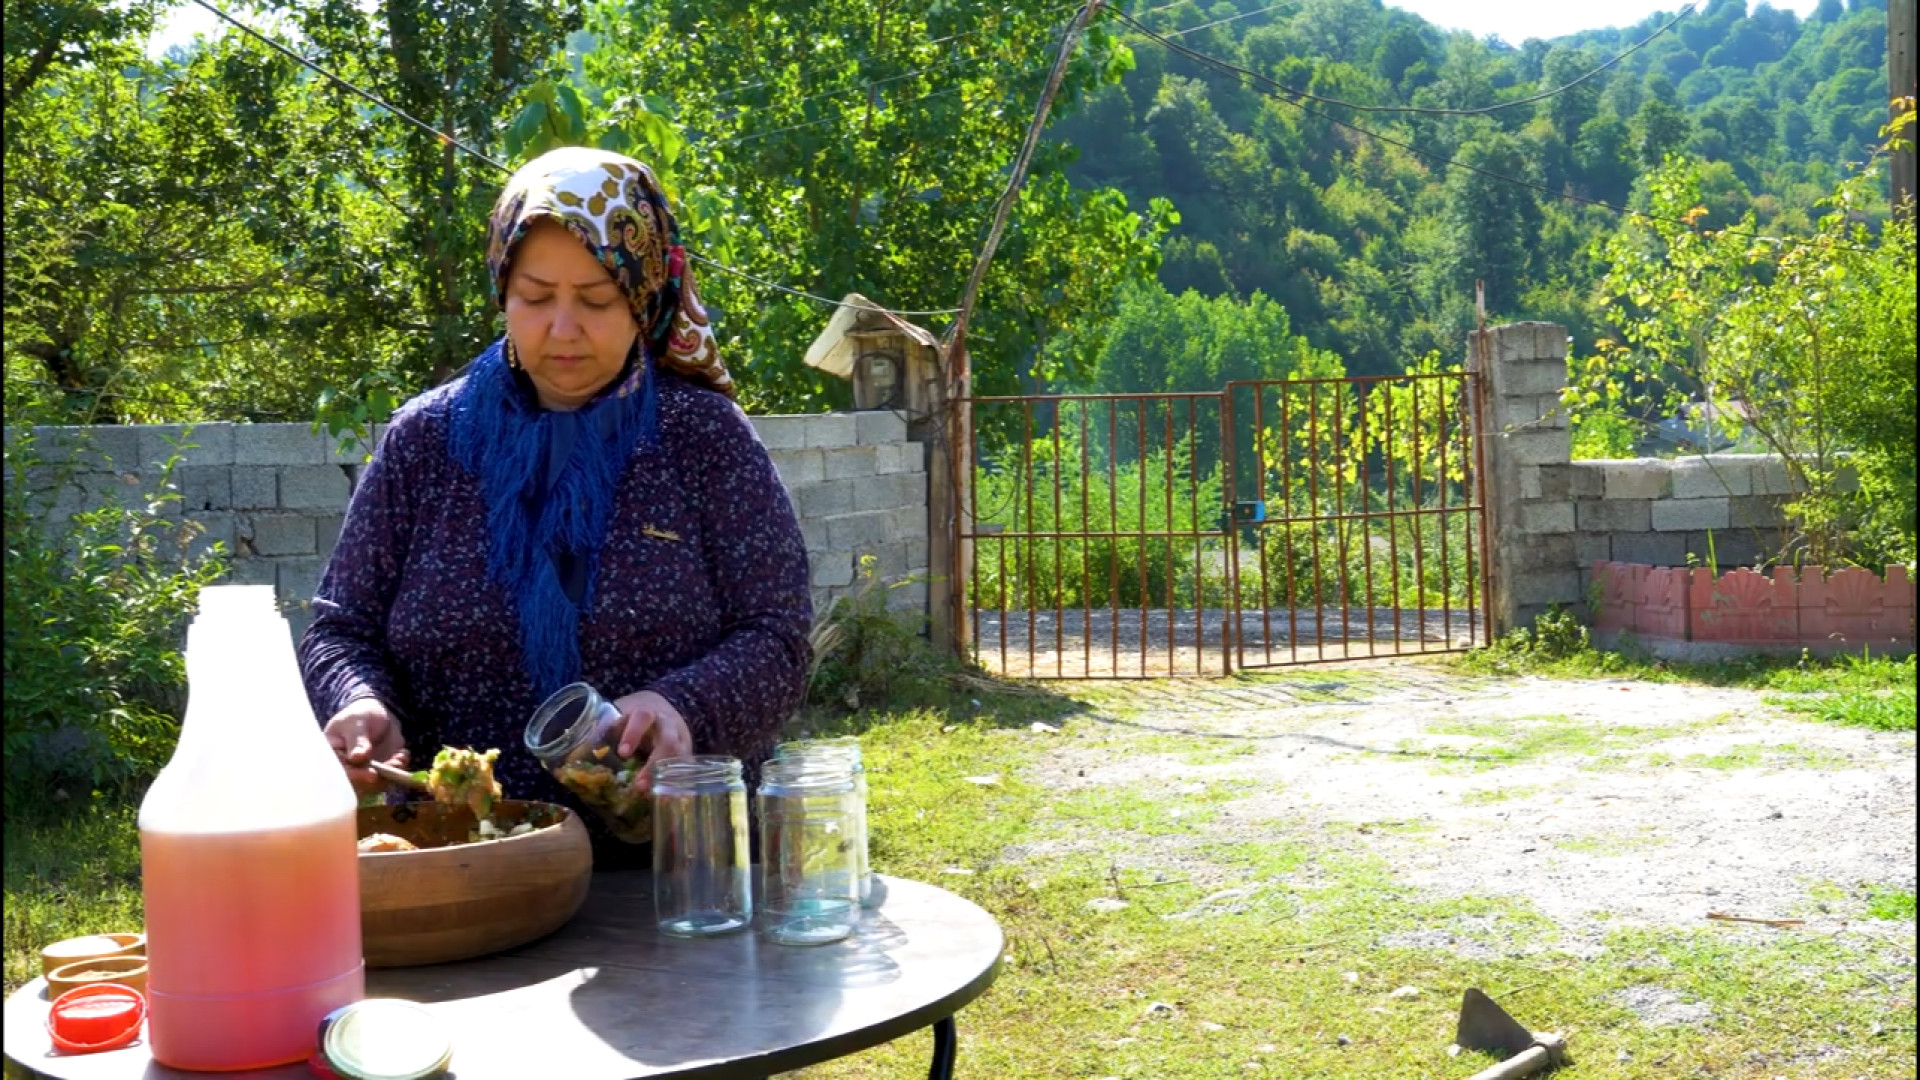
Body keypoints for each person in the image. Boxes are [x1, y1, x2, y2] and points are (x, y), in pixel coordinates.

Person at [298, 146, 812, 865]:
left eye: (597, 300)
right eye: (536, 297)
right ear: (503, 288)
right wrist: (359, 701)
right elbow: (341, 629)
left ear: (642, 298)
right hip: (464, 869)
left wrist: (683, 708)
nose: (563, 328)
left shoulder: (702, 438)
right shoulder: (426, 442)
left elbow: (778, 637)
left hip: (681, 878)